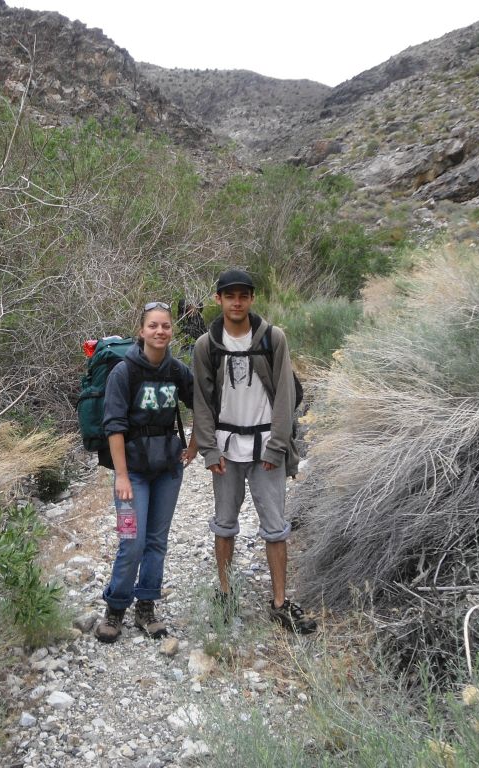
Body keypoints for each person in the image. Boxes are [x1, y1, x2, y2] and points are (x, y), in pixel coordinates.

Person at [192, 269, 317, 634]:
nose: (236, 302)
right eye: (229, 295)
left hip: (266, 448)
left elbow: (285, 395)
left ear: (251, 299)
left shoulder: (272, 338)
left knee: (275, 528)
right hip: (227, 450)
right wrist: (209, 451)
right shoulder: (206, 345)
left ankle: (279, 602)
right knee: (224, 524)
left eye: (242, 295)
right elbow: (201, 402)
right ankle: (226, 594)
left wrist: (278, 446)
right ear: (218, 299)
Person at [95, 301, 198, 643]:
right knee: (131, 541)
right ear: (141, 331)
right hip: (133, 474)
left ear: (171, 331)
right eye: (153, 326)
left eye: (165, 326)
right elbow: (114, 427)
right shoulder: (124, 372)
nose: (160, 331)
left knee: (156, 541)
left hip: (168, 469)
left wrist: (195, 445)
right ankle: (115, 608)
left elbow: (204, 403)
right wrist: (121, 476)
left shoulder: (177, 371)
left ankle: (146, 607)